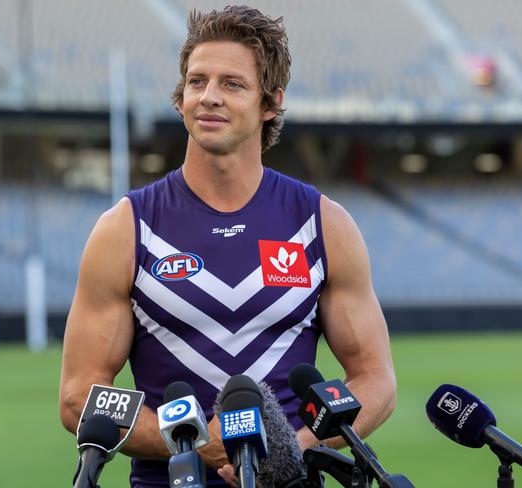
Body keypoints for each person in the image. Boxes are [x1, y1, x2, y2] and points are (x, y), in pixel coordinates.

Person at [60, 5, 396, 487]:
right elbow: (79, 396)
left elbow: (375, 380)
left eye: (232, 84)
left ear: (271, 103)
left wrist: (291, 450)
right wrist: (194, 441)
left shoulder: (323, 224)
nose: (209, 97)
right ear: (180, 99)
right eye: (197, 82)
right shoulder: (126, 228)